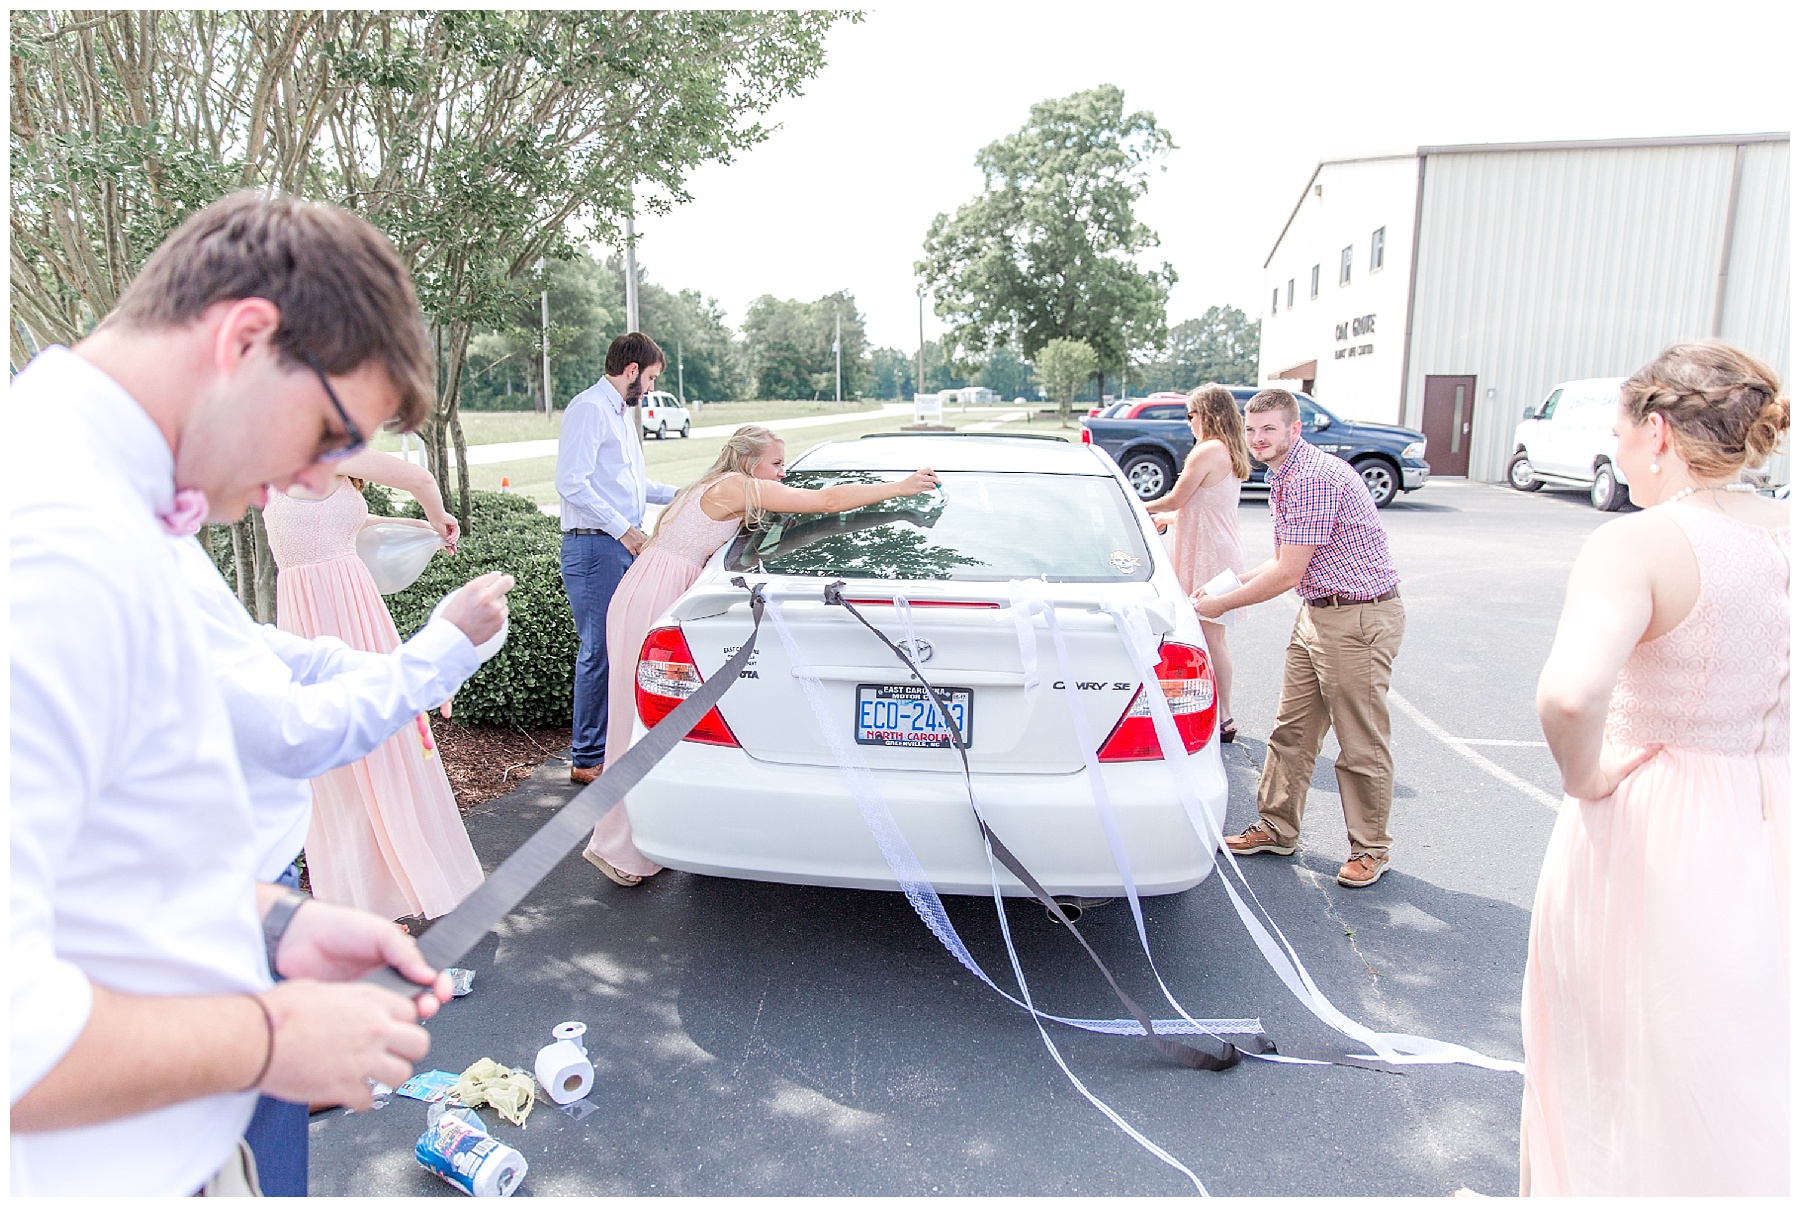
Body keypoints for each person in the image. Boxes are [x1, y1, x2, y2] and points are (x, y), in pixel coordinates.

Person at [10, 191, 452, 1196]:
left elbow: (89, 866)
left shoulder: (106, 502)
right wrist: (268, 1036)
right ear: (246, 337)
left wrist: (262, 923)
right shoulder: (55, 542)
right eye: (332, 433)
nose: (322, 475)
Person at [1521, 341, 1789, 1196]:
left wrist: (1584, 775)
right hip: (1770, 809)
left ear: (1659, 431)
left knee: (1619, 1051)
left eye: (1620, 429)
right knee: (1748, 1047)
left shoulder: (1639, 543)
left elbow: (1568, 696)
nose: (1617, 446)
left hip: (1655, 817)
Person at [172, 536, 512, 1195]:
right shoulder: (87, 547)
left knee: (267, 1157)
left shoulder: (165, 540)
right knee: (241, 1156)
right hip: (204, 923)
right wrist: (436, 653)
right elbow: (292, 731)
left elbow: (272, 654)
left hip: (247, 900)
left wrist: (279, 920)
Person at [582, 427, 941, 885]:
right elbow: (827, 502)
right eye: (776, 463)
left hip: (649, 582)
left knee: (638, 722)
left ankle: (629, 841)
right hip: (658, 589)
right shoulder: (735, 486)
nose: (782, 472)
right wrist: (900, 487)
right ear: (751, 464)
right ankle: (616, 849)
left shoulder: (715, 486)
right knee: (636, 725)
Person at [261, 450, 486, 923]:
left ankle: (358, 900)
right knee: (383, 741)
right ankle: (399, 889)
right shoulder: (332, 449)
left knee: (335, 767)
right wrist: (438, 514)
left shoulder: (276, 456)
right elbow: (421, 478)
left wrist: (417, 530)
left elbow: (326, 524)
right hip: (345, 610)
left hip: (302, 612)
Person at [1192, 387, 1405, 888]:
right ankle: (1277, 827)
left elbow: (1288, 573)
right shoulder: (1286, 475)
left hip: (1358, 619)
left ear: (1294, 429)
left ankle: (1371, 850)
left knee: (1360, 741)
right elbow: (1284, 561)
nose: (1258, 438)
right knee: (1292, 730)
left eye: (1269, 429)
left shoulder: (1310, 478)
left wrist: (1221, 604)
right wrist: (1226, 583)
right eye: (1252, 428)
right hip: (1320, 612)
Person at [556, 332, 676, 785]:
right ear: (631, 370)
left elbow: (632, 486)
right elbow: (572, 483)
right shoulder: (588, 409)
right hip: (595, 547)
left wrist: (688, 493)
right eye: (649, 378)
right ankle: (587, 759)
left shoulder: (621, 414)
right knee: (599, 650)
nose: (649, 388)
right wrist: (625, 532)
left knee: (622, 646)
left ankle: (608, 746)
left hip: (618, 545)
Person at [1144, 383, 1252, 742]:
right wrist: (1171, 521)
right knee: (1210, 636)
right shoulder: (1229, 449)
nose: (1188, 421)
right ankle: (1216, 712)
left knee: (1207, 636)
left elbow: (1177, 499)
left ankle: (1223, 716)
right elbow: (1202, 510)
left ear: (1207, 414)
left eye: (1191, 414)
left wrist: (1137, 508)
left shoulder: (1206, 450)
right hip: (1218, 547)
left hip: (1208, 554)